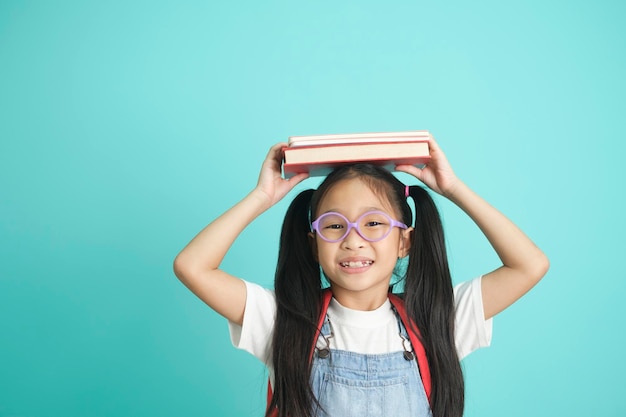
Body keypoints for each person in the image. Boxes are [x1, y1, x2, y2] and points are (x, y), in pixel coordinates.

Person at [173, 135, 549, 417]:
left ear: (405, 241)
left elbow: (529, 264)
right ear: (313, 243)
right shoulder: (283, 320)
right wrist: (261, 196)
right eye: (334, 225)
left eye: (374, 223)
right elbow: (193, 266)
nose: (354, 240)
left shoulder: (438, 320)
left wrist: (453, 189)